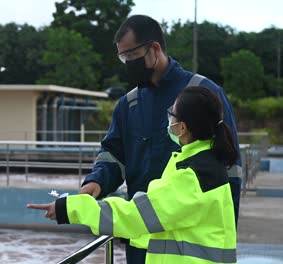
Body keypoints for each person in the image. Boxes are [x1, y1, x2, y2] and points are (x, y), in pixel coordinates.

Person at [72, 14, 241, 263]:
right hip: (140, 231)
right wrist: (97, 181)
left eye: (131, 56)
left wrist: (226, 236)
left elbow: (230, 171)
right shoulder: (128, 104)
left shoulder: (202, 93)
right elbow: (113, 154)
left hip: (189, 244)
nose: (128, 63)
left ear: (154, 49)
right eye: (123, 58)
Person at [28, 86, 238, 264]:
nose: (169, 120)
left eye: (171, 115)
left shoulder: (193, 175)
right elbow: (163, 220)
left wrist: (70, 208)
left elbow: (136, 216)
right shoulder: (203, 163)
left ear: (182, 127)